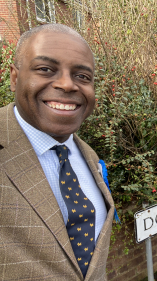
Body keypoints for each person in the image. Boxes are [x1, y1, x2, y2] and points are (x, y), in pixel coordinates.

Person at [0, 24, 114, 280]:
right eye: (45, 69)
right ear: (15, 77)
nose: (67, 84)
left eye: (82, 76)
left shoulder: (89, 156)